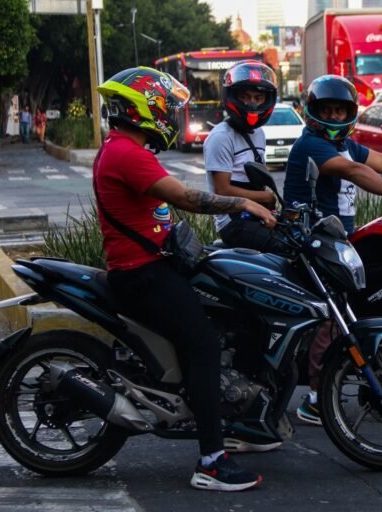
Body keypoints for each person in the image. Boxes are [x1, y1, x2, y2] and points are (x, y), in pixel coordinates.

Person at [95, 66, 277, 492]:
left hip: (157, 265)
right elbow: (185, 197)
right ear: (146, 107)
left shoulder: (127, 148)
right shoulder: (127, 153)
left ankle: (244, 421)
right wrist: (241, 205)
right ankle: (212, 460)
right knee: (204, 345)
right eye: (167, 107)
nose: (172, 116)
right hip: (142, 275)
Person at [283, 75, 382, 425]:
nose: (336, 118)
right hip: (311, 242)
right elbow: (355, 171)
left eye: (342, 111)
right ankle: (315, 397)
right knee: (334, 318)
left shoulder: (346, 144)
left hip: (337, 241)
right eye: (329, 111)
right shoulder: (311, 145)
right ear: (313, 113)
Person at [203, 61, 286, 254]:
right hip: (233, 223)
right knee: (284, 248)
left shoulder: (259, 134)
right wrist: (264, 197)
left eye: (258, 98)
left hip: (256, 214)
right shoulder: (221, 136)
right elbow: (222, 190)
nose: (252, 104)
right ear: (233, 96)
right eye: (245, 97)